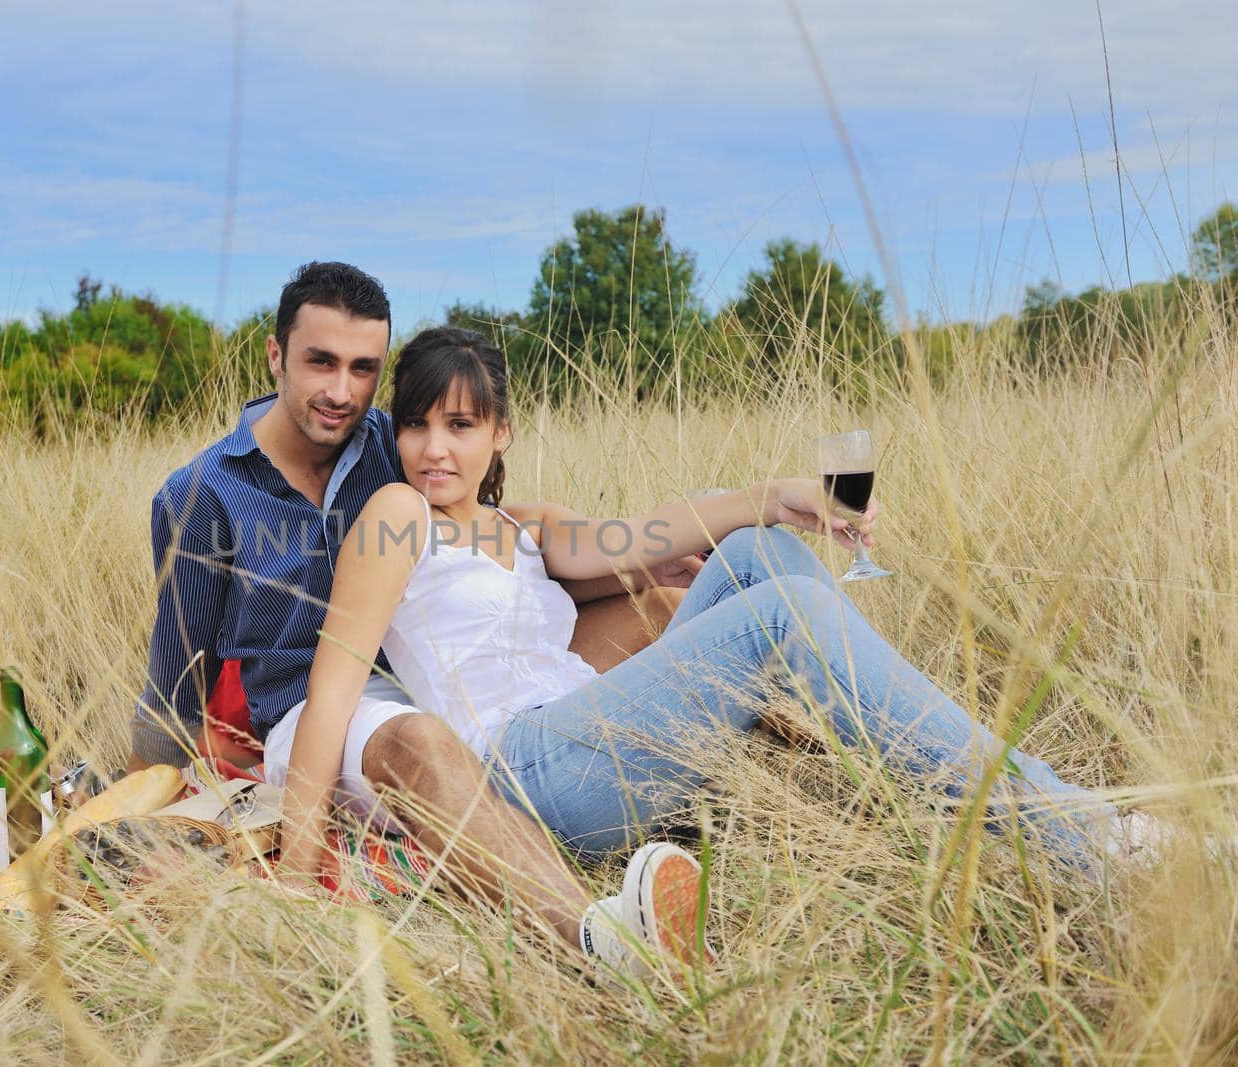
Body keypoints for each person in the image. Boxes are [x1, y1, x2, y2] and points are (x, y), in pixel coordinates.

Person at [273, 325, 1144, 974]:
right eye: (417, 425)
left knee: (765, 553)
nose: (434, 448)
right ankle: (1083, 835)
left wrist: (773, 495)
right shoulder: (396, 517)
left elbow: (647, 531)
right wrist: (296, 864)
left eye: (459, 425)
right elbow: (336, 684)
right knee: (785, 614)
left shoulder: (523, 526)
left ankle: (936, 777)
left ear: (499, 432)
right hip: (524, 769)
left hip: (590, 734)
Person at [130, 263, 704, 977]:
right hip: (320, 708)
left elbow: (478, 569)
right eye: (321, 362)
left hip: (443, 679)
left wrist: (640, 572)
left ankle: (711, 805)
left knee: (664, 609)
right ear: (276, 355)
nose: (341, 392)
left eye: (363, 369)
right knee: (416, 735)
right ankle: (594, 938)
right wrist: (144, 811)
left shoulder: (395, 440)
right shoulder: (200, 495)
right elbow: (176, 679)